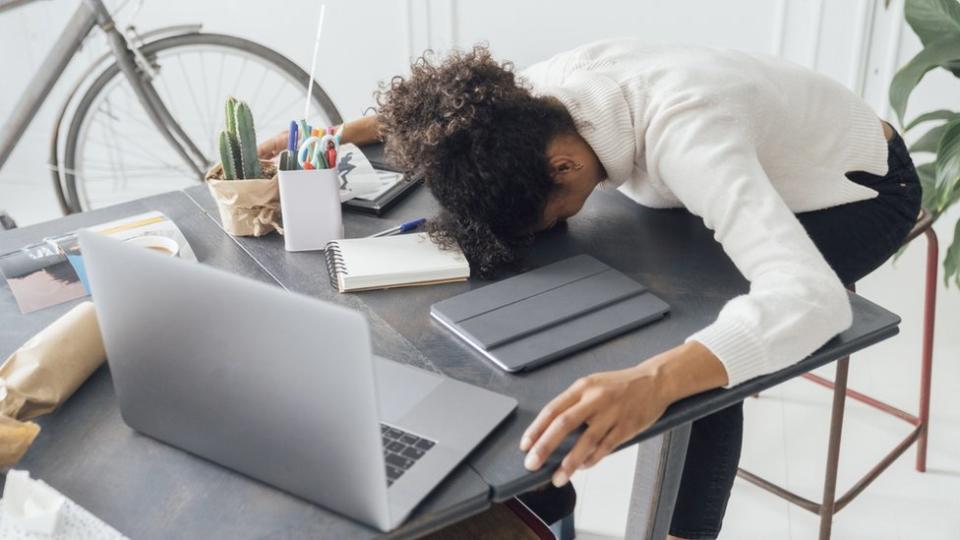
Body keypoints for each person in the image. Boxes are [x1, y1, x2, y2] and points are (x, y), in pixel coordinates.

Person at [260, 40, 921, 539]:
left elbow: (809, 300)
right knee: (546, 274)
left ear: (566, 164)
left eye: (559, 203)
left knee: (712, 351)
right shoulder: (539, 103)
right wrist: (338, 135)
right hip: (730, 161)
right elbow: (464, 112)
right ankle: (545, 510)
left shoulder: (689, 134)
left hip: (855, 191)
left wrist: (655, 381)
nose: (562, 217)